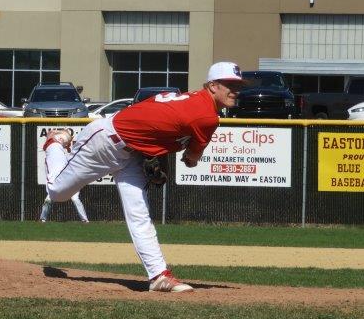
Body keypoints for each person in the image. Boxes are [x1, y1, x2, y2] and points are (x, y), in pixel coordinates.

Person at [43, 62, 246, 293]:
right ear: (212, 86)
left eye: (238, 85)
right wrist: (184, 154)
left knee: (140, 214)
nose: (235, 91)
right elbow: (191, 158)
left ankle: (159, 276)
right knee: (57, 193)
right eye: (229, 85)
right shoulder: (206, 117)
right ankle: (55, 143)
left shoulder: (191, 99)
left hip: (135, 155)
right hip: (106, 141)